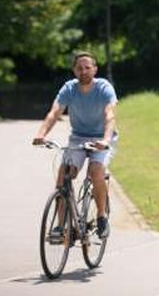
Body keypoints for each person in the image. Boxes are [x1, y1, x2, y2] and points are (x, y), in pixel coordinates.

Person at [33, 51, 117, 239]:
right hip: (78, 138)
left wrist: (105, 139)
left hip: (100, 139)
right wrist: (41, 134)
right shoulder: (69, 89)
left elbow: (109, 115)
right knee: (64, 176)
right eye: (79, 68)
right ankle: (60, 226)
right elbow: (55, 113)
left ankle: (101, 216)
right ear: (74, 71)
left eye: (88, 68)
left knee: (96, 171)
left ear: (95, 69)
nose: (84, 71)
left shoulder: (104, 87)